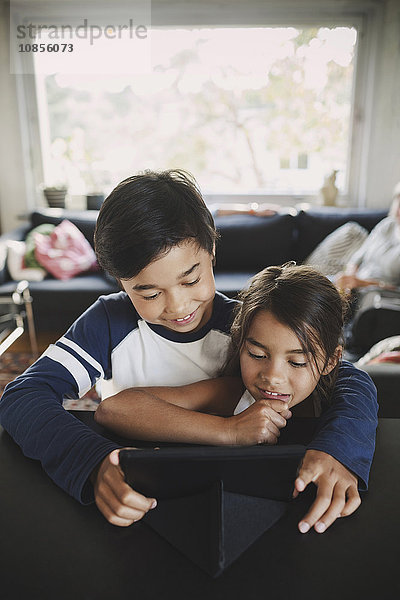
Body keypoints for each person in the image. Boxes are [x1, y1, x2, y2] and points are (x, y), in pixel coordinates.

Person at [0, 170, 377, 533]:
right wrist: (92, 461)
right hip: (140, 494)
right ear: (121, 282)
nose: (178, 306)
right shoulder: (109, 322)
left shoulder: (246, 326)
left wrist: (340, 449)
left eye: (191, 279)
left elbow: (351, 378)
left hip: (235, 499)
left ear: (211, 249)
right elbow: (22, 396)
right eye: (149, 293)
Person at [95, 263, 373, 534]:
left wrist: (339, 450)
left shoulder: (339, 411)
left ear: (331, 361)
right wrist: (230, 429)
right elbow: (113, 409)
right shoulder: (232, 394)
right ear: (239, 344)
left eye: (297, 362)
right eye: (257, 355)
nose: (273, 376)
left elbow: (358, 383)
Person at [335, 185, 400, 291]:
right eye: (398, 202)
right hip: (354, 286)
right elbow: (356, 259)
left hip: (377, 295)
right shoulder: (387, 224)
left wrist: (363, 283)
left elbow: (397, 290)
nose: (398, 209)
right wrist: (349, 280)